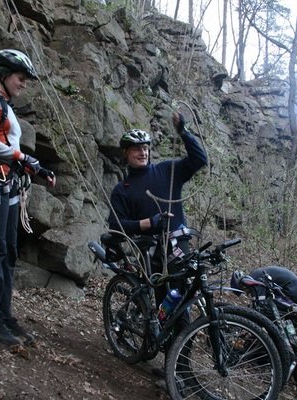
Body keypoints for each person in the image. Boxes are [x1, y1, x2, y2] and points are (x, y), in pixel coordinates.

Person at [108, 112, 208, 386]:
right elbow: (116, 226)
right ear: (126, 153)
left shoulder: (167, 170)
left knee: (181, 307)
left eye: (145, 148)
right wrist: (147, 223)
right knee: (166, 307)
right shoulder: (123, 189)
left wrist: (184, 132)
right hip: (150, 254)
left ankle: (179, 371)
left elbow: (200, 160)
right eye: (137, 149)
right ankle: (172, 367)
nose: (142, 153)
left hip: (178, 247)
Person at [0, 49, 56, 346]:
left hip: (7, 178)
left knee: (8, 251)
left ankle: (4, 315)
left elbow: (9, 146)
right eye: (21, 78)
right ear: (4, 75)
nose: (24, 84)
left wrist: (37, 167)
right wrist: (21, 156)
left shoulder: (6, 106)